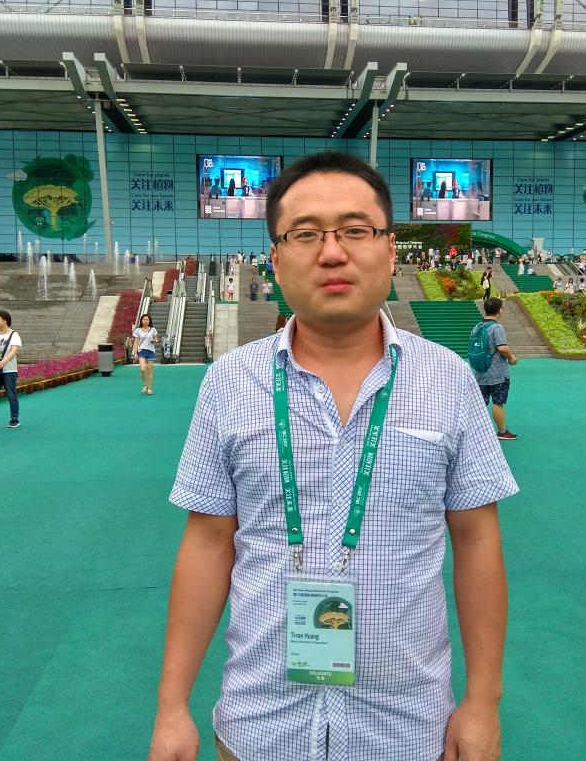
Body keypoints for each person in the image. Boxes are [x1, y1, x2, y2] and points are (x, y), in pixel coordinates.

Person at [149, 152, 518, 761]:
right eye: (305, 234)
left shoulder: (448, 380)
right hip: (261, 725)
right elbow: (208, 543)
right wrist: (171, 707)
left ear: (390, 250)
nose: (332, 252)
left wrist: (483, 702)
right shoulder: (229, 382)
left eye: (354, 229)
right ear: (275, 259)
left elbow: (477, 540)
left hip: (406, 728)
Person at [471, 297, 519, 441]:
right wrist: (511, 358)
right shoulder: (496, 327)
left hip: (480, 371)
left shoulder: (477, 327)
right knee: (498, 402)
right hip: (497, 372)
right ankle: (502, 431)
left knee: (478, 404)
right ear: (499, 310)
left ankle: (472, 432)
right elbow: (502, 348)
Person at [132, 313, 160, 395]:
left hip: (150, 351)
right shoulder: (138, 330)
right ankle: (145, 385)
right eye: (144, 319)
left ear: (149, 321)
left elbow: (156, 339)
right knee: (142, 369)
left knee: (150, 370)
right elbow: (136, 342)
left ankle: (150, 388)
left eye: (147, 320)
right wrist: (135, 353)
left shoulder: (153, 330)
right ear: (141, 321)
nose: (145, 321)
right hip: (141, 351)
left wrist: (154, 340)